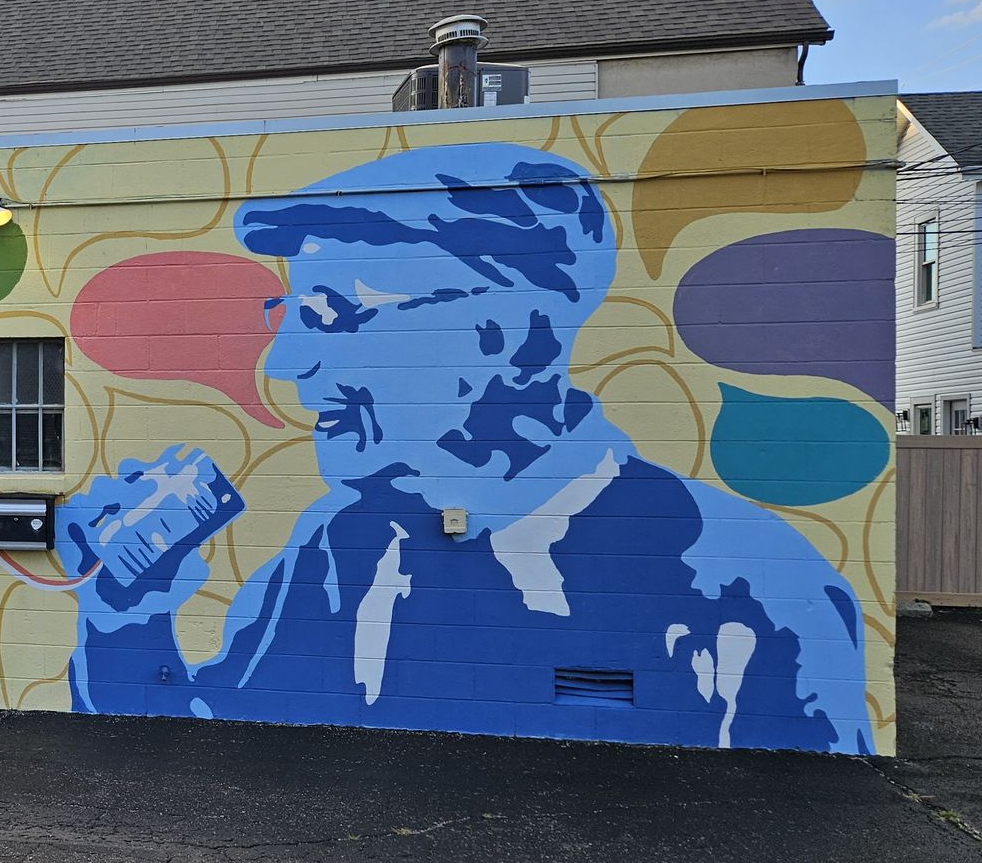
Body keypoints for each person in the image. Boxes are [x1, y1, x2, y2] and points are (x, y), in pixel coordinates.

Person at [58, 143, 871, 753]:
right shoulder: (337, 545)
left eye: (334, 315)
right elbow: (204, 754)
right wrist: (131, 613)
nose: (284, 363)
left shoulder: (755, 591)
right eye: (288, 315)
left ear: (513, 338)